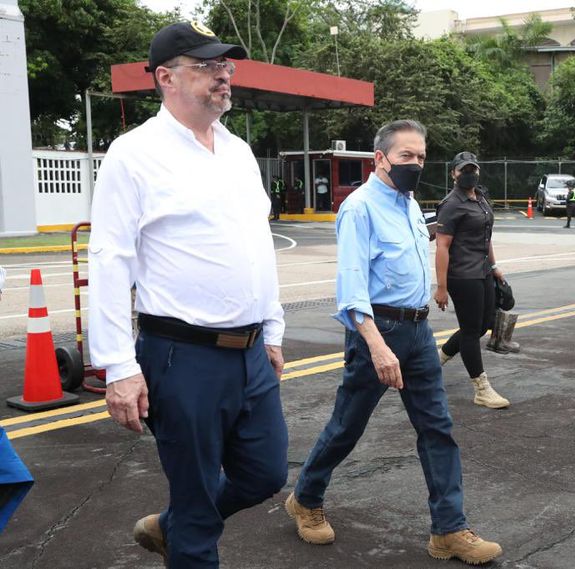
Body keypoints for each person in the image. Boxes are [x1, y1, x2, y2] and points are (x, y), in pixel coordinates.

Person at [88, 21, 288, 567]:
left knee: (266, 473)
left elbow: (257, 246)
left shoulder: (238, 151)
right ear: (165, 78)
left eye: (225, 65)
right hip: (183, 357)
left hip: (250, 352)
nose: (223, 75)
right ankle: (187, 529)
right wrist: (118, 367)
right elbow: (110, 260)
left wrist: (271, 329)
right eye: (206, 66)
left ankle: (173, 525)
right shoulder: (134, 154)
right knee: (197, 507)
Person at [284, 120, 502, 566]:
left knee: (437, 428)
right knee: (347, 426)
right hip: (377, 332)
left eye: (421, 156)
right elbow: (351, 287)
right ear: (380, 158)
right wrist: (376, 345)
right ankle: (305, 498)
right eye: (406, 156)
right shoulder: (359, 209)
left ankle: (449, 529)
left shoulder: (410, 204)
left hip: (418, 332)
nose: (415, 164)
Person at [434, 151, 510, 409]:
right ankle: (481, 388)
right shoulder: (451, 204)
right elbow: (442, 247)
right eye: (463, 170)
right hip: (462, 275)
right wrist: (441, 287)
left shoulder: (480, 198)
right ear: (453, 174)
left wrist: (494, 266)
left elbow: (486, 237)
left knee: (484, 325)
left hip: (483, 271)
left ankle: (437, 360)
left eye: (473, 169)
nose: (469, 174)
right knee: (470, 331)